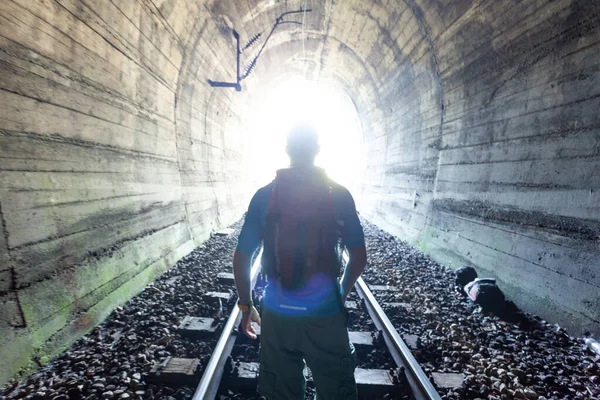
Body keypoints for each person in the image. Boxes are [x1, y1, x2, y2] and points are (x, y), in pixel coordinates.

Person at [233, 122, 367, 399]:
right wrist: (339, 293)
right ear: (317, 150)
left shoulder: (264, 196)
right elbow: (359, 257)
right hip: (325, 313)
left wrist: (246, 306)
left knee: (283, 391)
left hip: (278, 310)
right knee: (336, 389)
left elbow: (243, 256)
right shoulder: (338, 194)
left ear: (286, 150)